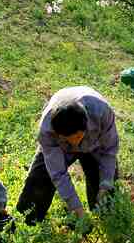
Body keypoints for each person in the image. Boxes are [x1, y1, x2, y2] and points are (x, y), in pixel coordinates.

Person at [16, 86, 119, 224]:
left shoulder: (102, 113)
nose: (75, 145)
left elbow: (109, 151)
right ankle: (26, 225)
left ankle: (108, 224)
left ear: (86, 126)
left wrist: (105, 185)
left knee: (107, 194)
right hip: (60, 147)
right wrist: (76, 208)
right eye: (68, 140)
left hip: (95, 145)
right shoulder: (47, 131)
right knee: (39, 179)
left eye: (77, 137)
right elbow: (58, 173)